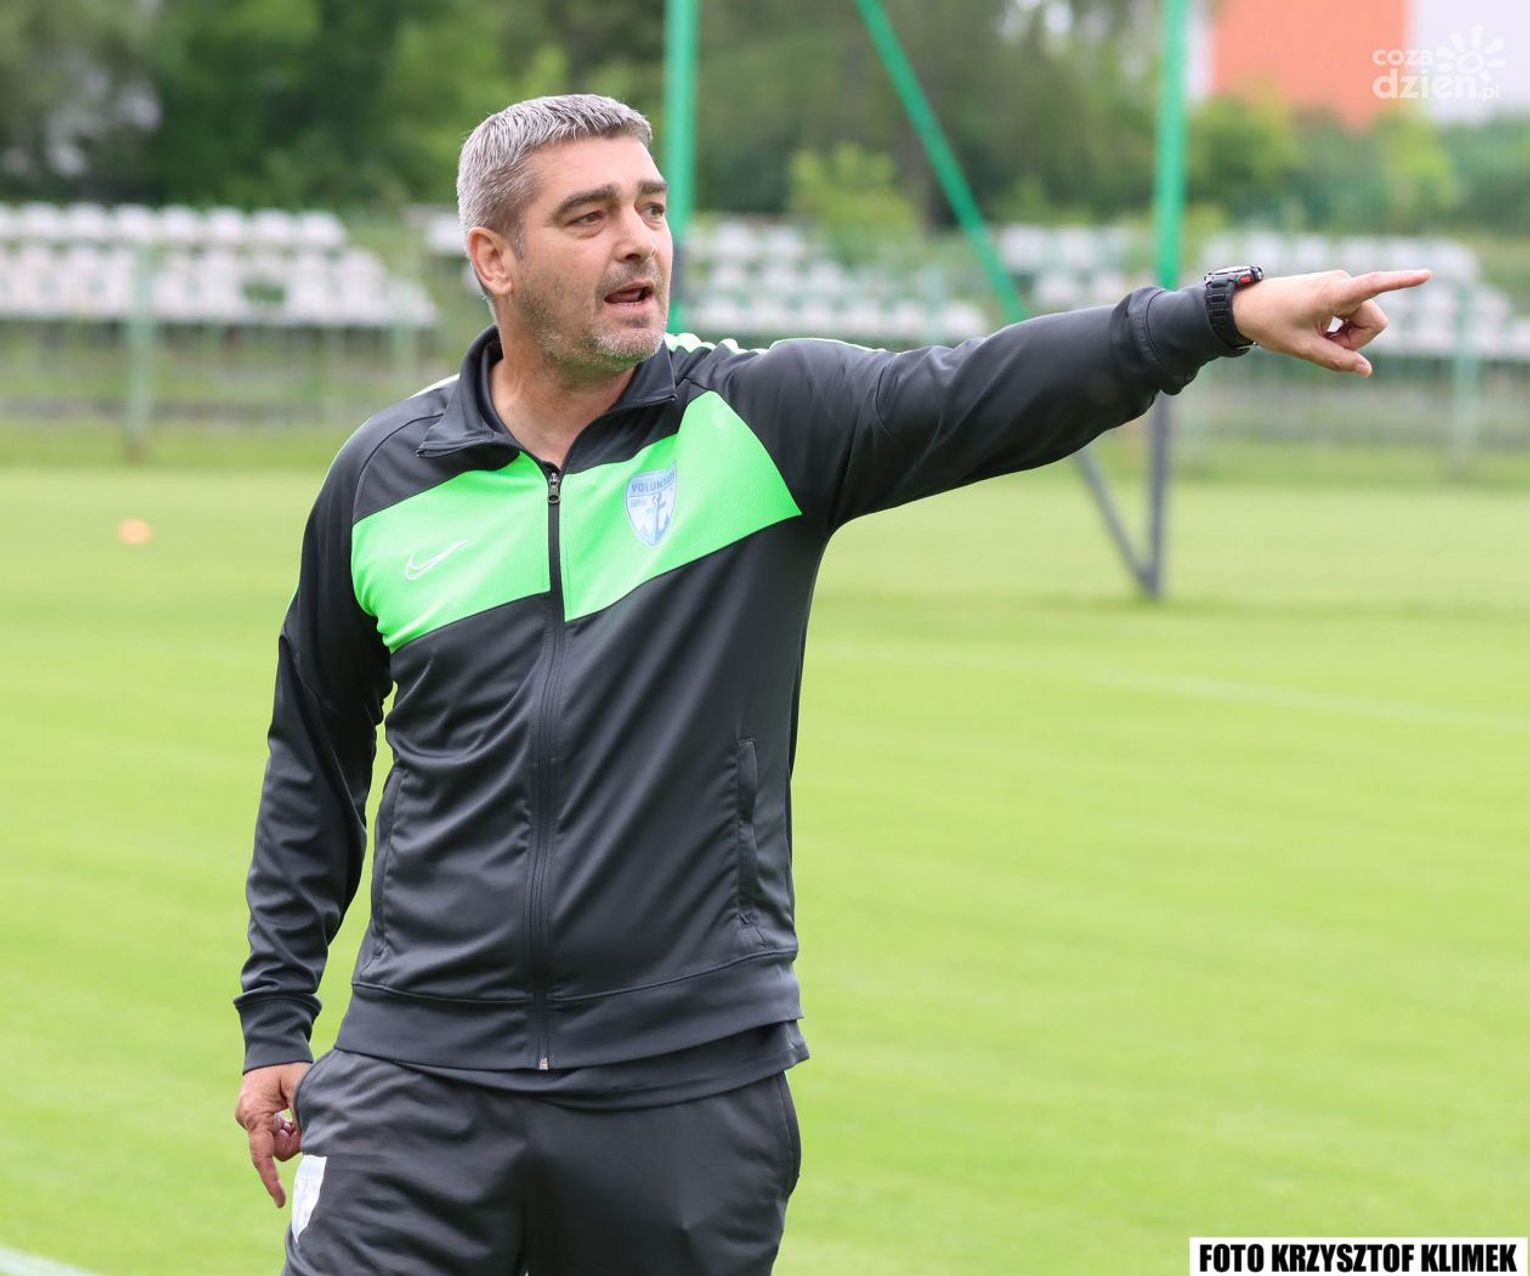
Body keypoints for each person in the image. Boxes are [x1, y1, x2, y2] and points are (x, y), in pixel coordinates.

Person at [233, 93, 1429, 1274]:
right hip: (418, 1072)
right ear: (493, 258)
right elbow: (316, 755)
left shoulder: (761, 421)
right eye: (589, 217)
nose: (638, 241)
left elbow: (985, 388)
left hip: (684, 1080)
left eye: (651, 208)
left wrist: (1219, 313)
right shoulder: (383, 481)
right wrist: (277, 1014)